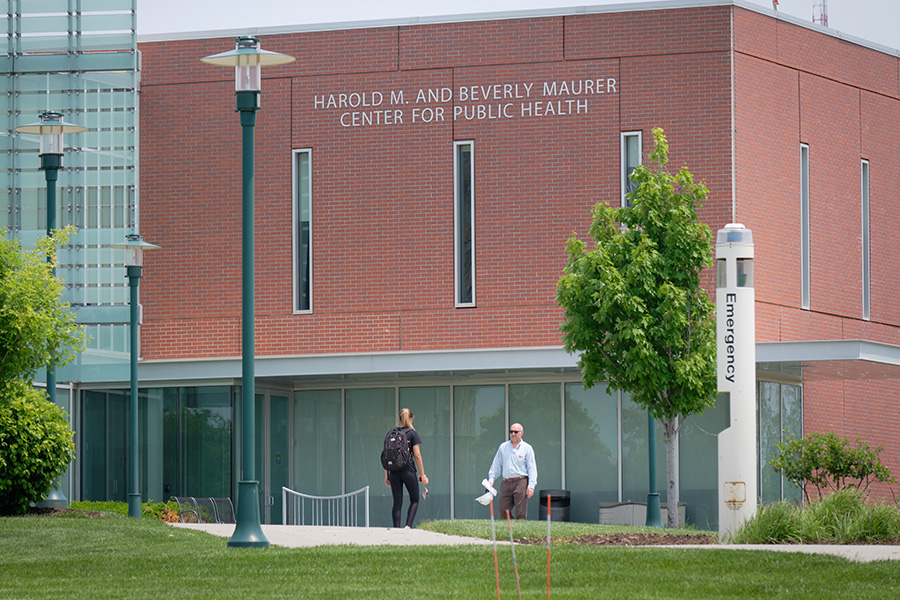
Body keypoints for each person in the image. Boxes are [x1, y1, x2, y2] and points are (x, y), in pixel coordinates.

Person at [383, 408, 429, 528]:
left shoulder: (390, 433)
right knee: (414, 499)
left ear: (399, 419)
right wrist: (423, 475)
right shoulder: (412, 433)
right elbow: (417, 455)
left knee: (397, 502)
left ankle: (396, 529)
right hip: (408, 470)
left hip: (393, 472)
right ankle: (408, 526)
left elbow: (386, 456)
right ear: (411, 419)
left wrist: (386, 476)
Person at [486, 422, 537, 519]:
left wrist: (531, 486)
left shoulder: (527, 448)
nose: (513, 434)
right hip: (506, 482)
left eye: (516, 432)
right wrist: (491, 479)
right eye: (511, 431)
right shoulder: (503, 447)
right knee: (502, 509)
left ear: (521, 433)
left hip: (521, 482)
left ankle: (520, 532)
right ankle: (510, 527)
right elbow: (496, 464)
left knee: (521, 511)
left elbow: (532, 468)